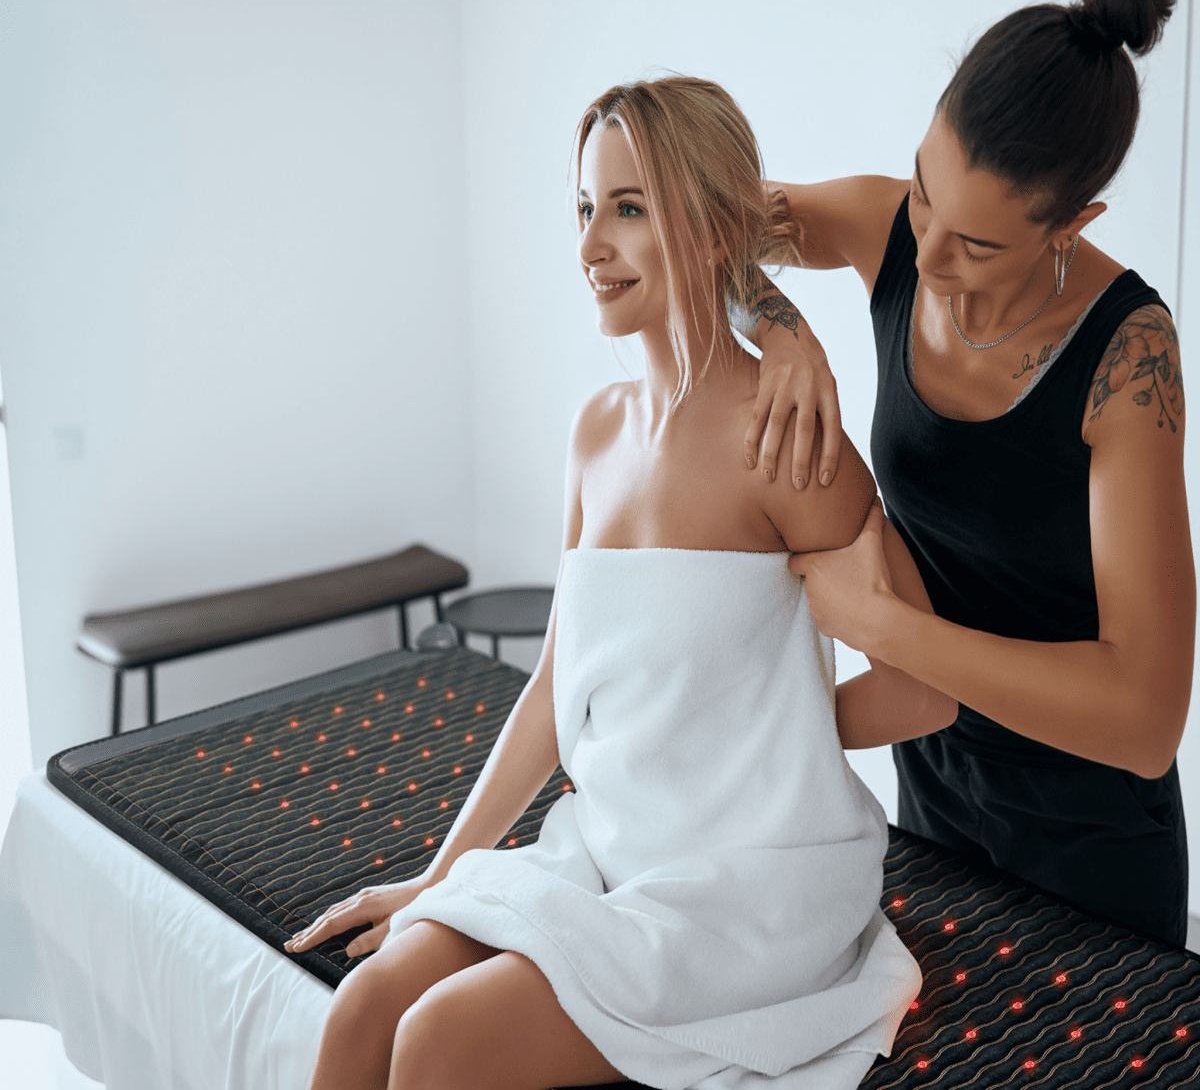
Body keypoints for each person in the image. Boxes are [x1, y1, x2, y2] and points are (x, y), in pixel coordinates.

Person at [285, 76, 955, 1090]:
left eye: (630, 208)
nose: (592, 244)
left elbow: (923, 686)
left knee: (437, 1044)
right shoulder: (596, 431)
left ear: (711, 227)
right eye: (586, 209)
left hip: (744, 889)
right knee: (367, 1008)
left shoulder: (785, 441)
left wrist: (763, 739)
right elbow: (561, 682)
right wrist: (442, 872)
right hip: (609, 845)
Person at [742, 0, 1193, 948]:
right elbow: (700, 222)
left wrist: (887, 634)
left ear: (1074, 222)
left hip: (1091, 841)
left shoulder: (1129, 357)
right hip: (933, 792)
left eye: (978, 243)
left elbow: (1145, 717)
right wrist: (785, 328)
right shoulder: (886, 227)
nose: (928, 253)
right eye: (924, 190)